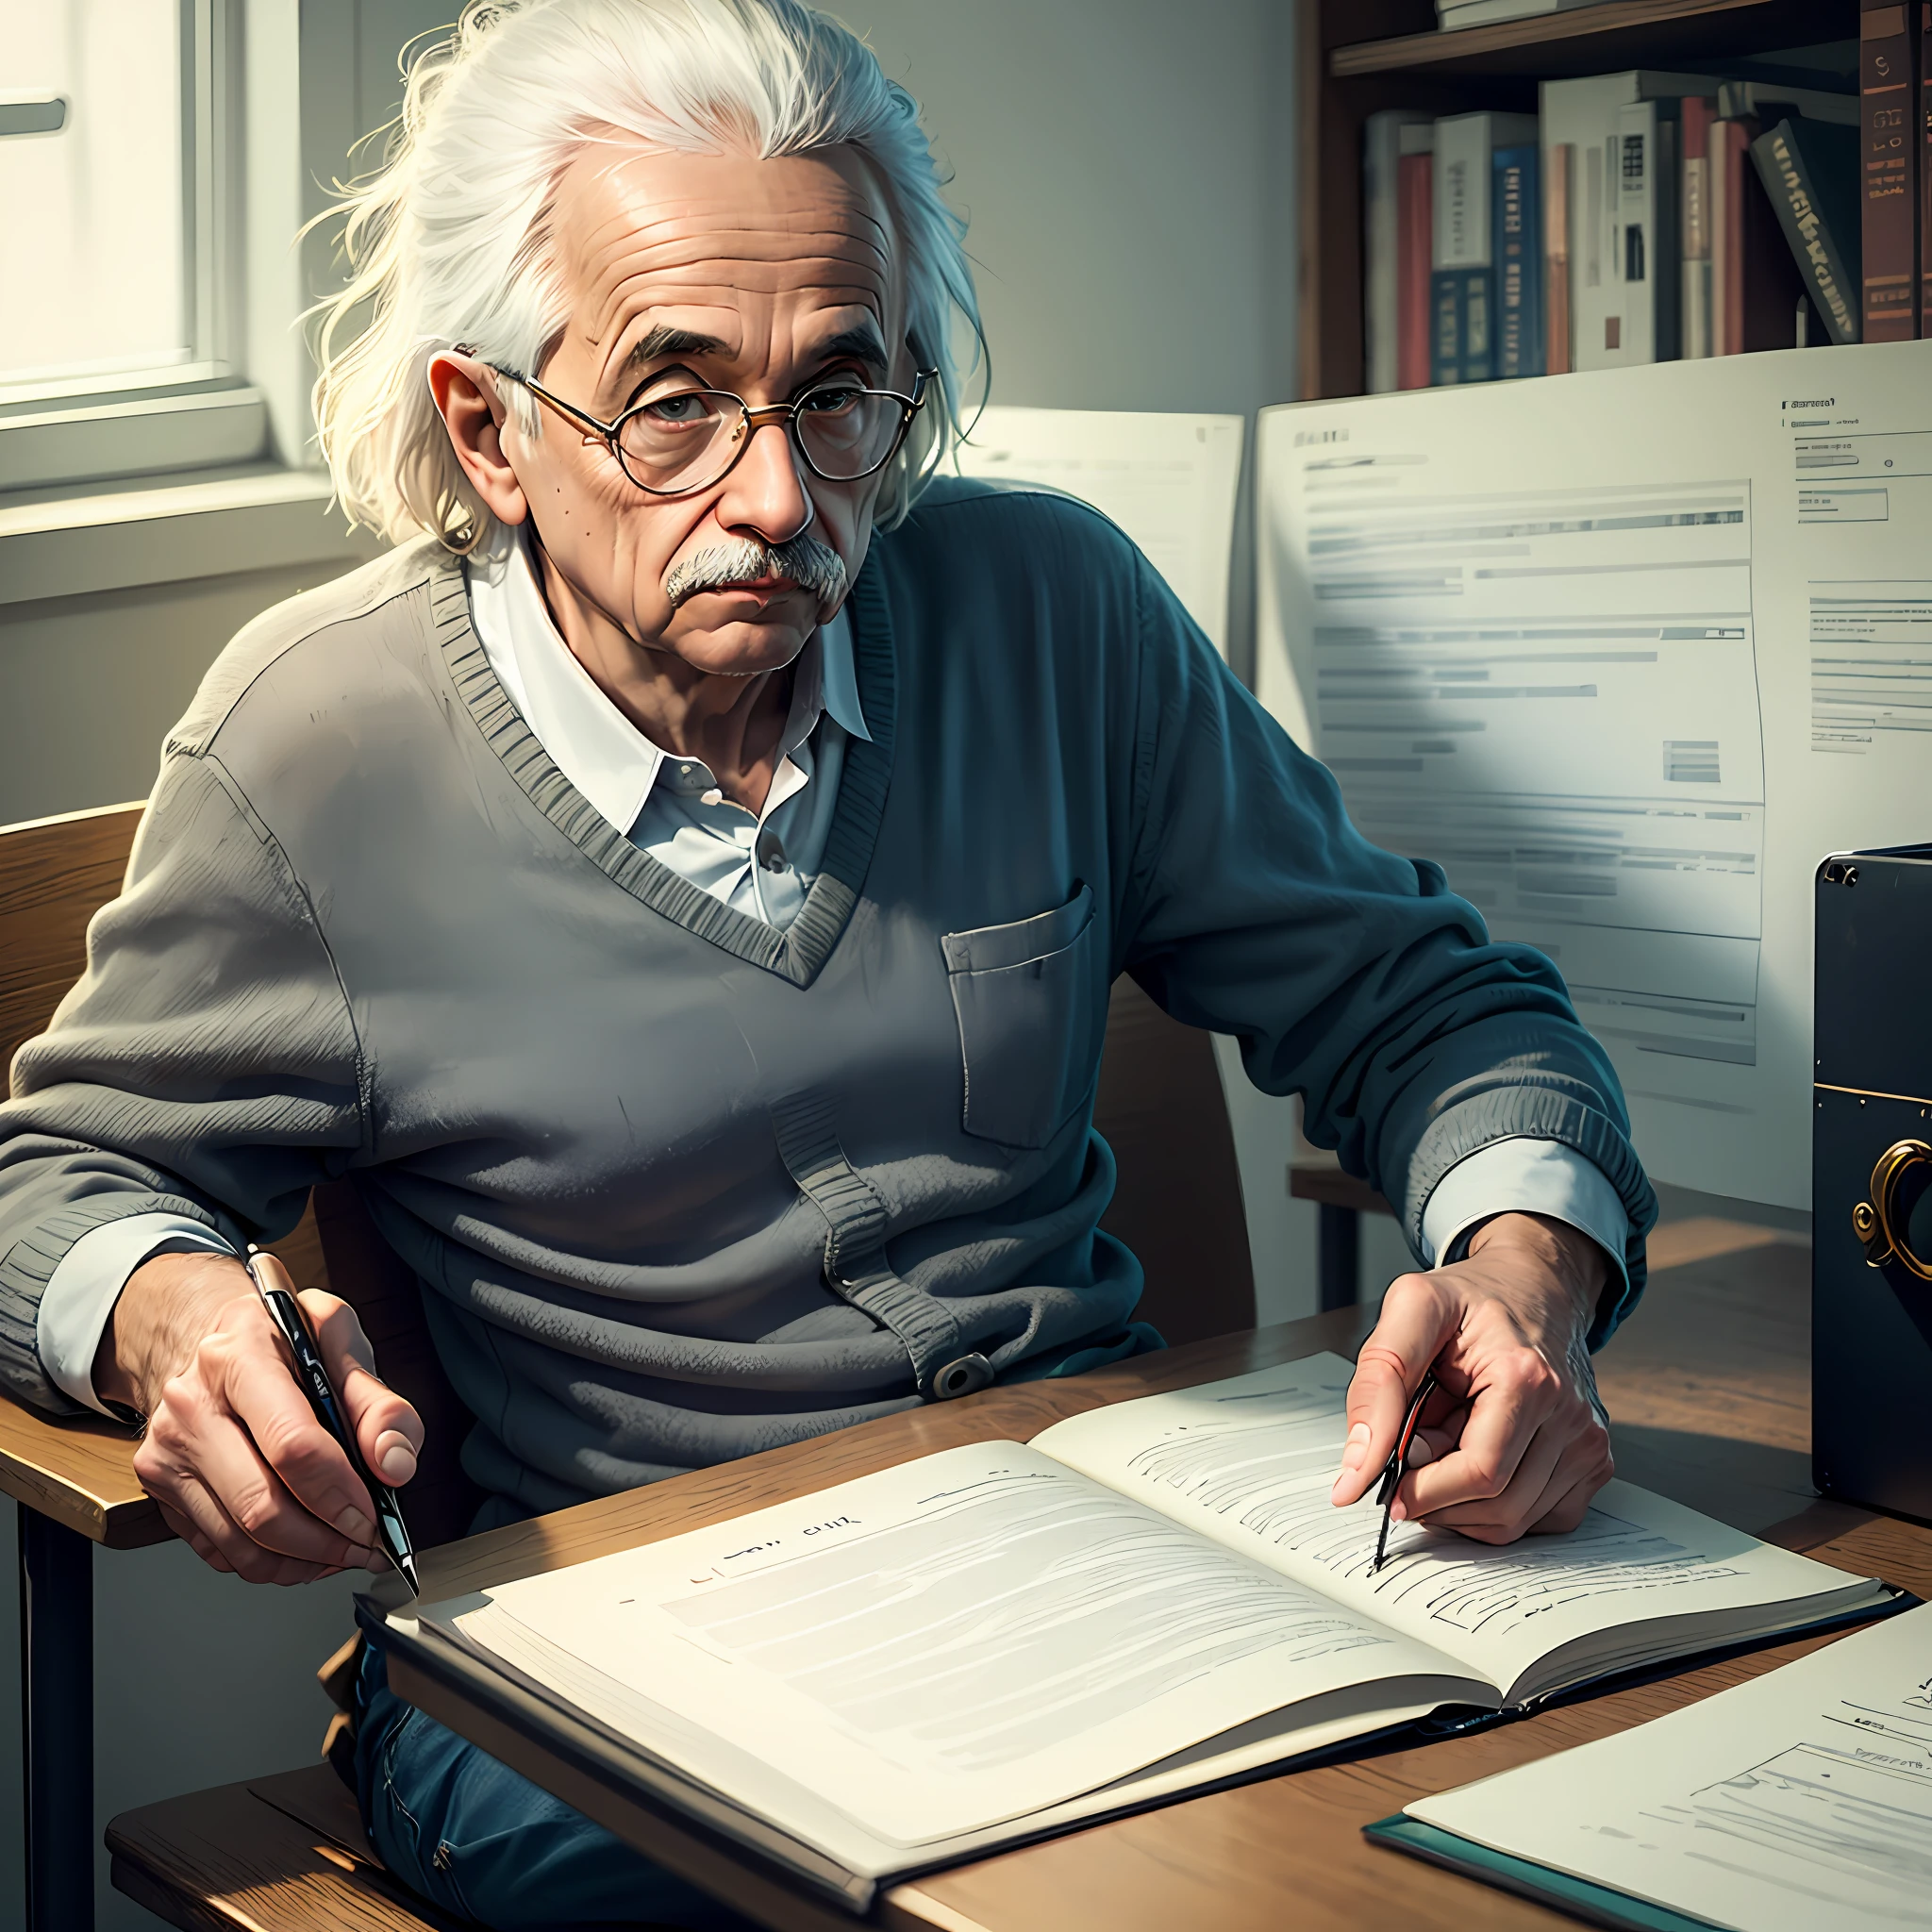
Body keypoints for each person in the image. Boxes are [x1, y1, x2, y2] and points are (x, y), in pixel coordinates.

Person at [0, 1, 1655, 1924]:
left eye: (840, 397)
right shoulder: (315, 751)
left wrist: (1524, 1280)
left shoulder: (1054, 613)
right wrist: (184, 1320)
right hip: (613, 1647)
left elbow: (1431, 1004)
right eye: (674, 399)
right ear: (490, 429)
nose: (782, 505)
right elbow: (55, 1176)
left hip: (1119, 1556)